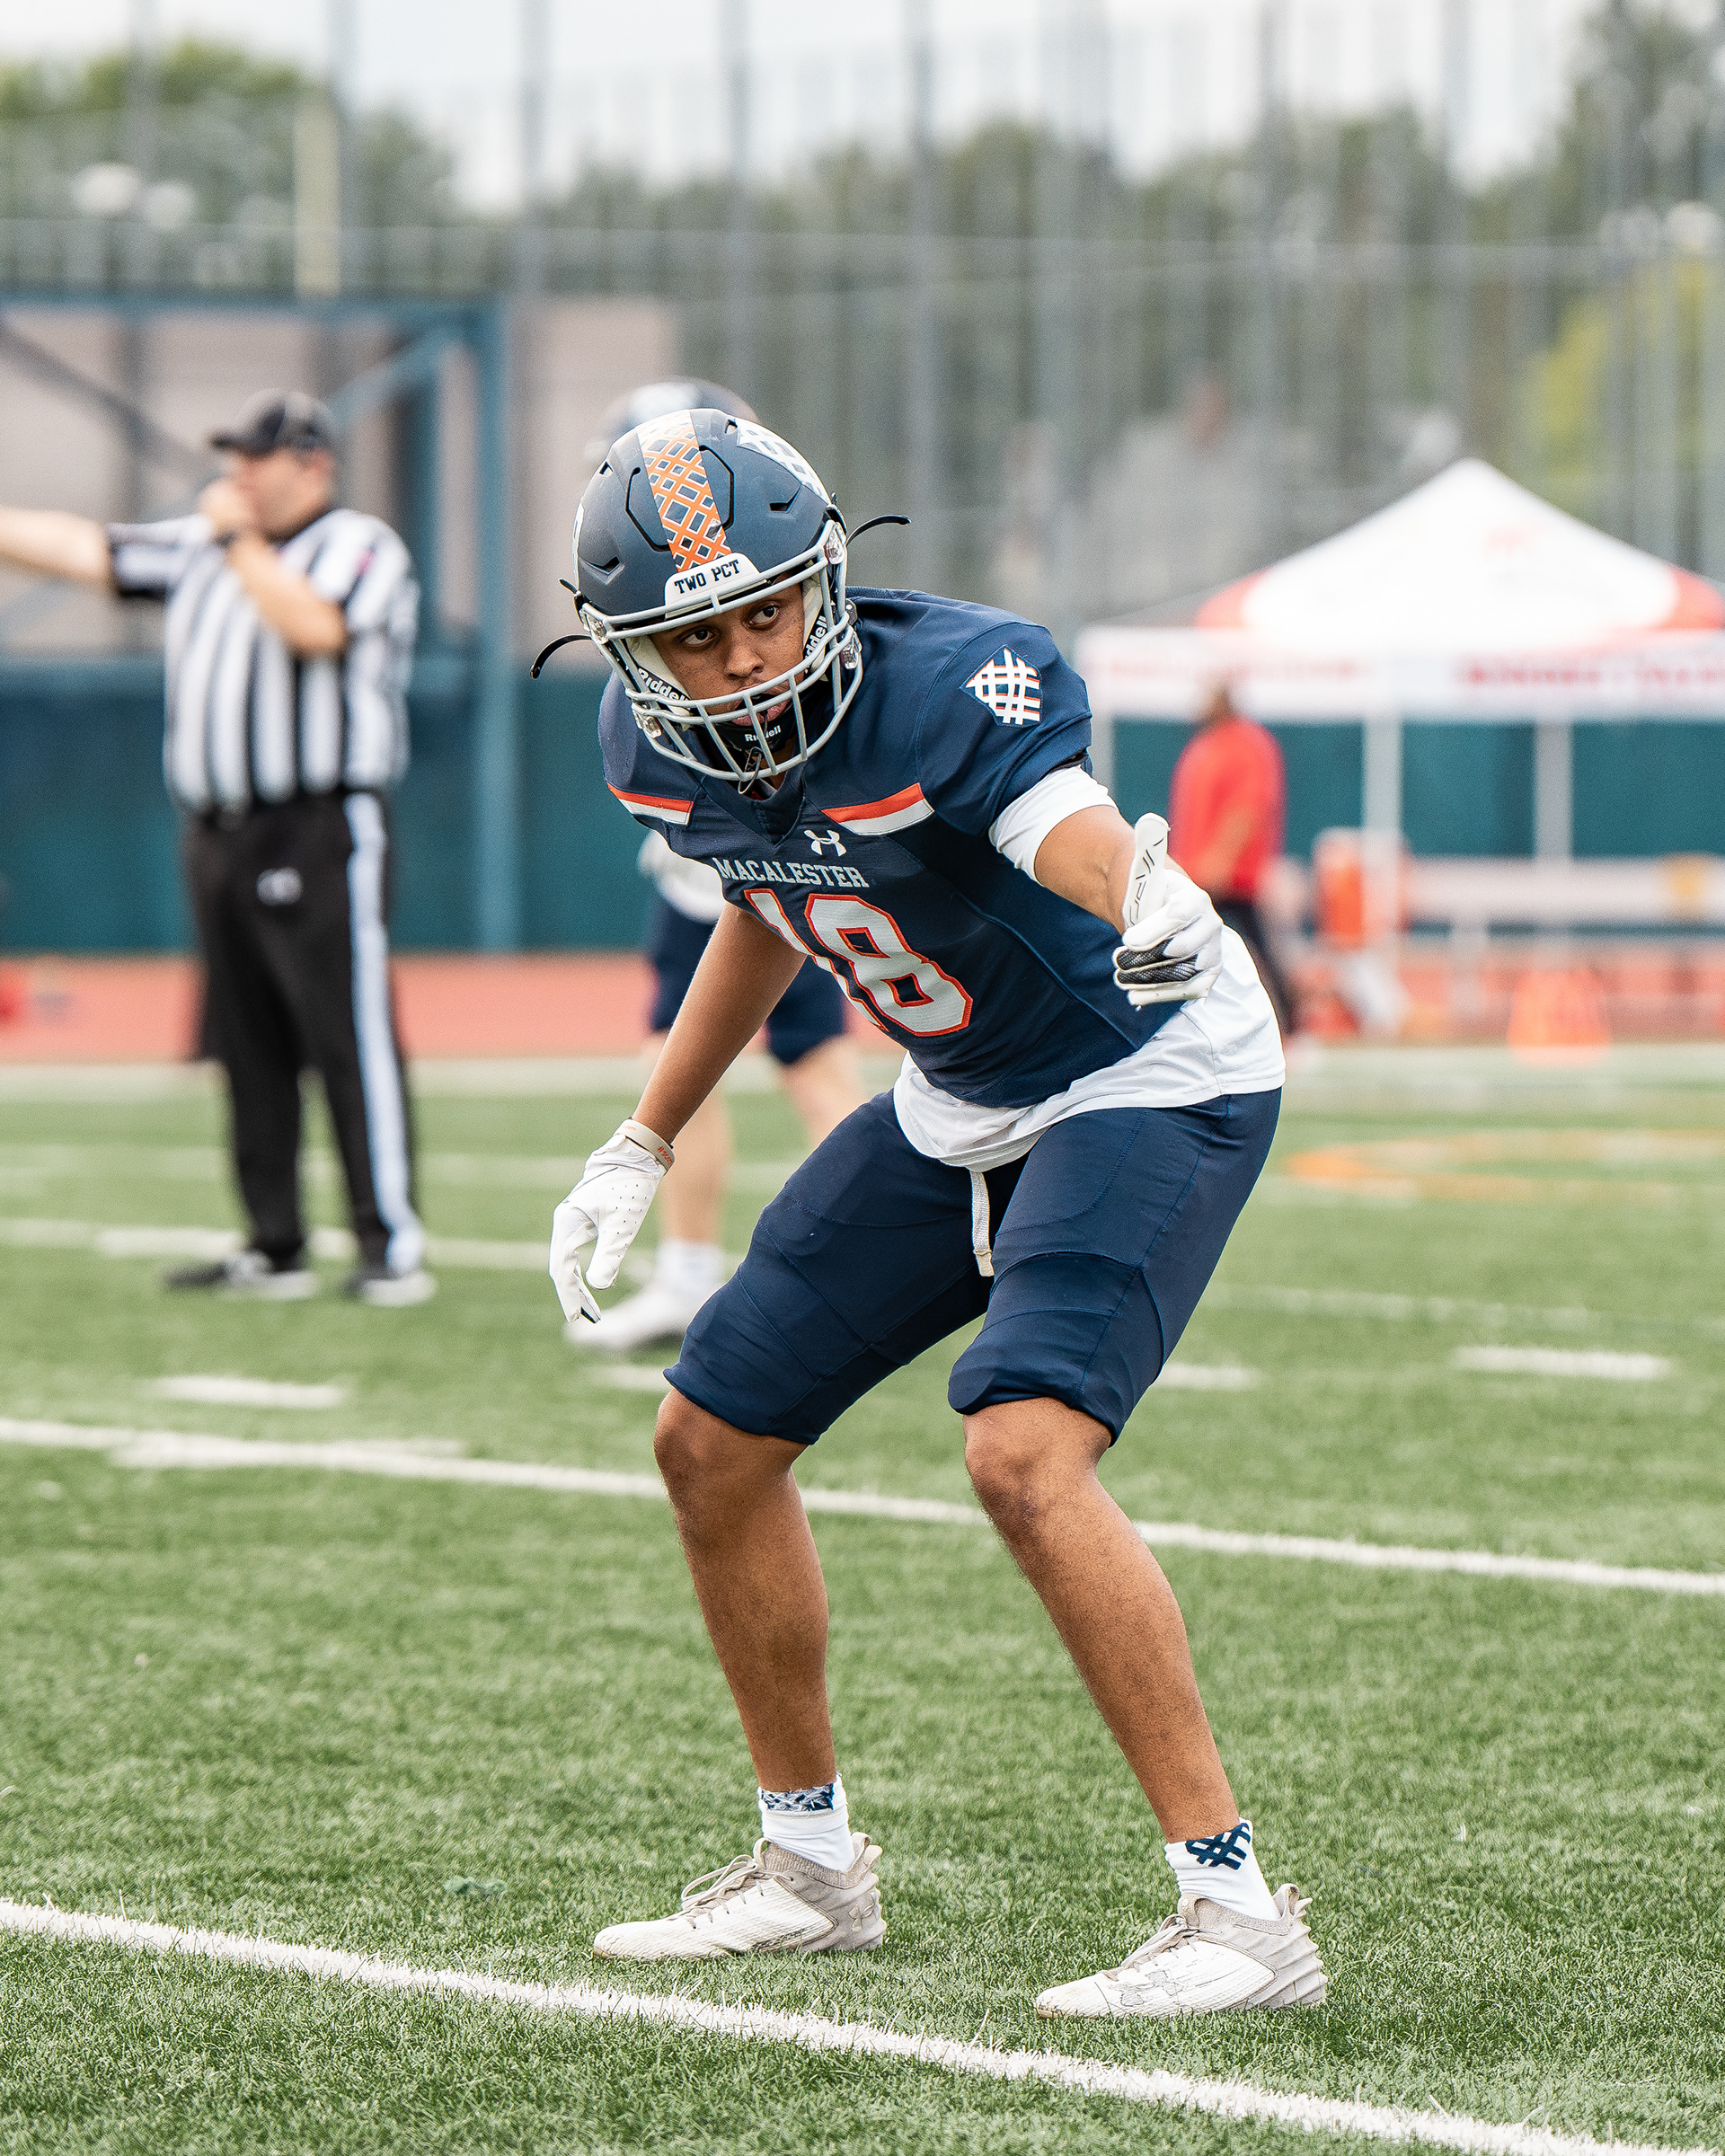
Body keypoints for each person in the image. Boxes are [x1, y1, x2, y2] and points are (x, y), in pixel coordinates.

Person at [547, 409, 1324, 2018]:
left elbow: (1058, 828)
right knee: (709, 1439)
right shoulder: (655, 749)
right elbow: (769, 903)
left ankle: (1238, 1913)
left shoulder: (949, 681)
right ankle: (809, 1870)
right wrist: (645, 1134)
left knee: (1021, 1453)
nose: (743, 661)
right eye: (694, 638)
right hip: (959, 1095)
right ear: (632, 652)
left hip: (1141, 1070)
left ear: (827, 579)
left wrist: (1146, 890)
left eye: (767, 611)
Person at [0, 389, 430, 1305]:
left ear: (312, 464)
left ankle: (388, 1241)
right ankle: (274, 1243)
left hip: (320, 825)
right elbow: (85, 549)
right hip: (218, 830)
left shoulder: (357, 546)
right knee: (246, 1039)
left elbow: (315, 628)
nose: (236, 473)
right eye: (232, 456)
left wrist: (237, 543)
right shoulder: (201, 548)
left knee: (346, 1030)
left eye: (254, 457)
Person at [571, 380, 863, 1353]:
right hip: (730, 869)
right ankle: (859, 1260)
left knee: (743, 1066)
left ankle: (734, 1269)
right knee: (799, 1065)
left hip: (756, 868)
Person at [1167, 681, 1296, 1038]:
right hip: (1198, 871)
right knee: (1225, 948)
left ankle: (1290, 1024)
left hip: (1230, 876)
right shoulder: (1208, 744)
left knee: (1251, 949)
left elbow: (1248, 806)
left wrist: (1221, 858)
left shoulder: (1246, 744)